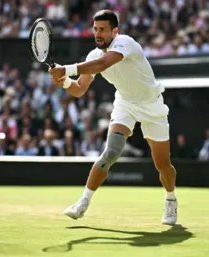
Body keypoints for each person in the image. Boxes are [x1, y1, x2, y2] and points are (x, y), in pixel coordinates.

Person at [49, 10, 177, 225]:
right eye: (95, 29)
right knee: (111, 152)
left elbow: (103, 65)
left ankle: (171, 199)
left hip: (152, 105)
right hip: (125, 104)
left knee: (163, 165)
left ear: (114, 31)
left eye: (103, 30)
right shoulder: (92, 56)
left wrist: (66, 69)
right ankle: (83, 202)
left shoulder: (126, 43)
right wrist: (64, 82)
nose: (97, 34)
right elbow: (79, 89)